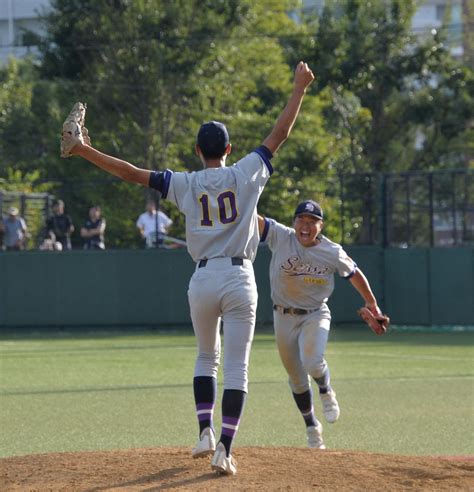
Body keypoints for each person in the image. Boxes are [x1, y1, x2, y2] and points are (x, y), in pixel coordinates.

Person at [60, 61, 314, 475]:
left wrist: (84, 149)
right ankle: (224, 450)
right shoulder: (246, 172)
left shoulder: (184, 183)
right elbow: (279, 134)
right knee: (237, 367)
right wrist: (299, 87)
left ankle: (203, 433)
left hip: (201, 279)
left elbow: (128, 173)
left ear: (198, 151)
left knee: (204, 358)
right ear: (228, 149)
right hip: (238, 277)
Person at [258, 200, 388, 450]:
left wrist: (372, 304)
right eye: (301, 220)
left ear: (321, 225)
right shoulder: (281, 236)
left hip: (315, 314)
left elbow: (354, 274)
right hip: (282, 316)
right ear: (294, 222)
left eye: (312, 222)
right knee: (296, 379)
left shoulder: (332, 251)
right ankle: (312, 427)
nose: (305, 226)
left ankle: (326, 391)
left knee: (313, 361)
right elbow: (254, 219)